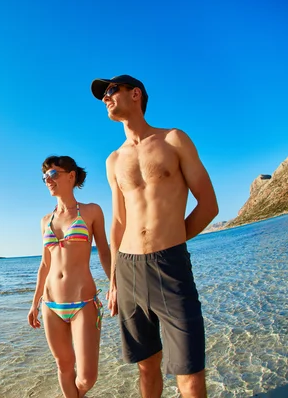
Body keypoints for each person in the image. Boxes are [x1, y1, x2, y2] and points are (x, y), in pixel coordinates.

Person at [90, 75, 219, 398]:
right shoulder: (113, 160)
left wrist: (172, 240)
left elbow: (209, 205)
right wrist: (115, 280)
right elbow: (118, 222)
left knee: (189, 373)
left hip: (170, 266)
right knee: (146, 367)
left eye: (110, 90)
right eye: (103, 94)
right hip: (129, 270)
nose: (105, 98)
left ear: (135, 94)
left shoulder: (174, 140)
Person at [28, 155, 111, 398]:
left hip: (83, 302)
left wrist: (115, 284)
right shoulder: (46, 220)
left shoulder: (92, 211)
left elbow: (104, 251)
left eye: (53, 174)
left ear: (71, 176)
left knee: (87, 377)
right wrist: (34, 304)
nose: (48, 180)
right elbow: (45, 264)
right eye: (44, 177)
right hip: (50, 304)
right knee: (63, 367)